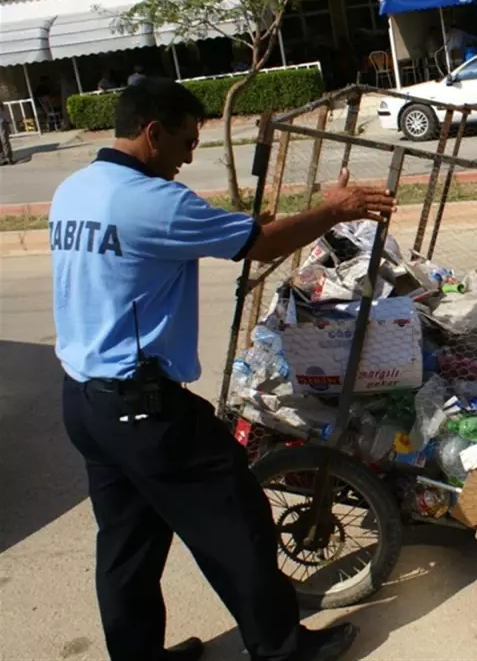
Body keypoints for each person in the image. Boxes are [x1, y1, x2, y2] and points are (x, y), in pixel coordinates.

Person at [50, 78, 395, 661]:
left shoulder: (75, 190)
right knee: (237, 521)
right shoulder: (154, 202)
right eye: (185, 141)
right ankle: (282, 648)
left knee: (126, 547)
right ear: (152, 132)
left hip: (84, 401)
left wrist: (248, 228)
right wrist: (332, 210)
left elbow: (172, 247)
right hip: (144, 408)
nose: (189, 155)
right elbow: (259, 246)